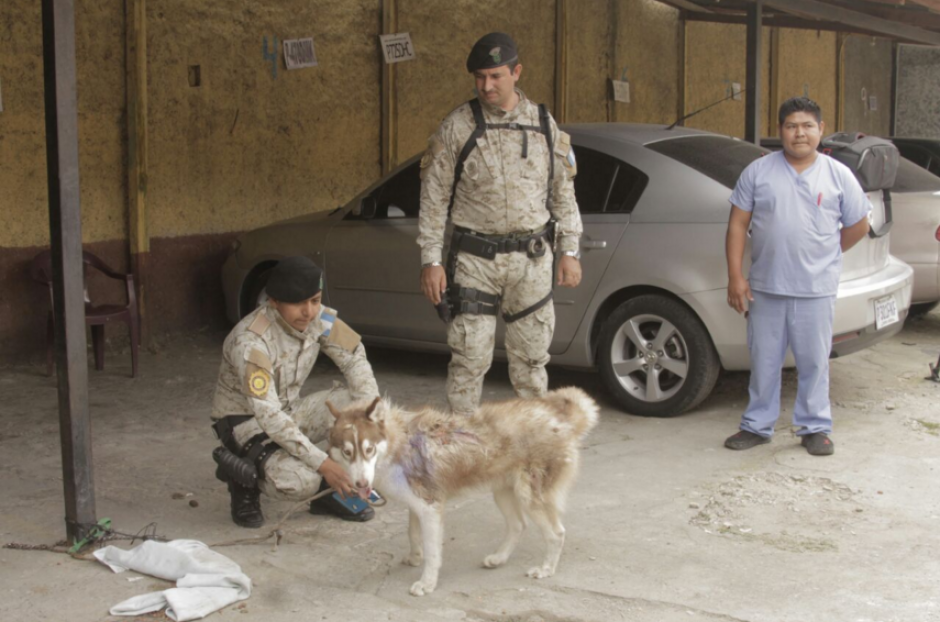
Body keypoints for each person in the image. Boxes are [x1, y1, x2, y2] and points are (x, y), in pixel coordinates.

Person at [417, 32, 583, 416]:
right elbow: (434, 198)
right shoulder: (458, 126)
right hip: (475, 261)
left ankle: (533, 448)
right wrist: (431, 260)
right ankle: (464, 448)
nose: (486, 86)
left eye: (495, 76)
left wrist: (570, 250)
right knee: (469, 359)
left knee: (530, 362)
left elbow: (563, 192)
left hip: (532, 261)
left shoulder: (543, 124)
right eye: (479, 77)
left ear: (516, 72)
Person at [724, 97, 871, 456]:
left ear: (821, 130)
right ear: (780, 132)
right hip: (766, 287)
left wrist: (826, 252)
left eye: (807, 126)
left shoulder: (838, 175)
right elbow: (737, 224)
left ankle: (815, 427)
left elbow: (859, 224)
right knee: (764, 362)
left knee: (815, 362)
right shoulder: (758, 172)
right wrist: (735, 277)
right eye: (791, 126)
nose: (799, 133)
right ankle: (757, 425)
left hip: (815, 289)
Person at [210, 256, 381, 527]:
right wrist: (323, 463)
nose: (308, 312)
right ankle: (242, 476)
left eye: (314, 300)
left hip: (288, 410)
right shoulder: (251, 342)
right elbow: (268, 415)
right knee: (303, 480)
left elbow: (354, 356)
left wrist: (371, 418)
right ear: (273, 301)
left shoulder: (318, 317)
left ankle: (325, 494)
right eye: (298, 303)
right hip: (247, 425)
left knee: (356, 407)